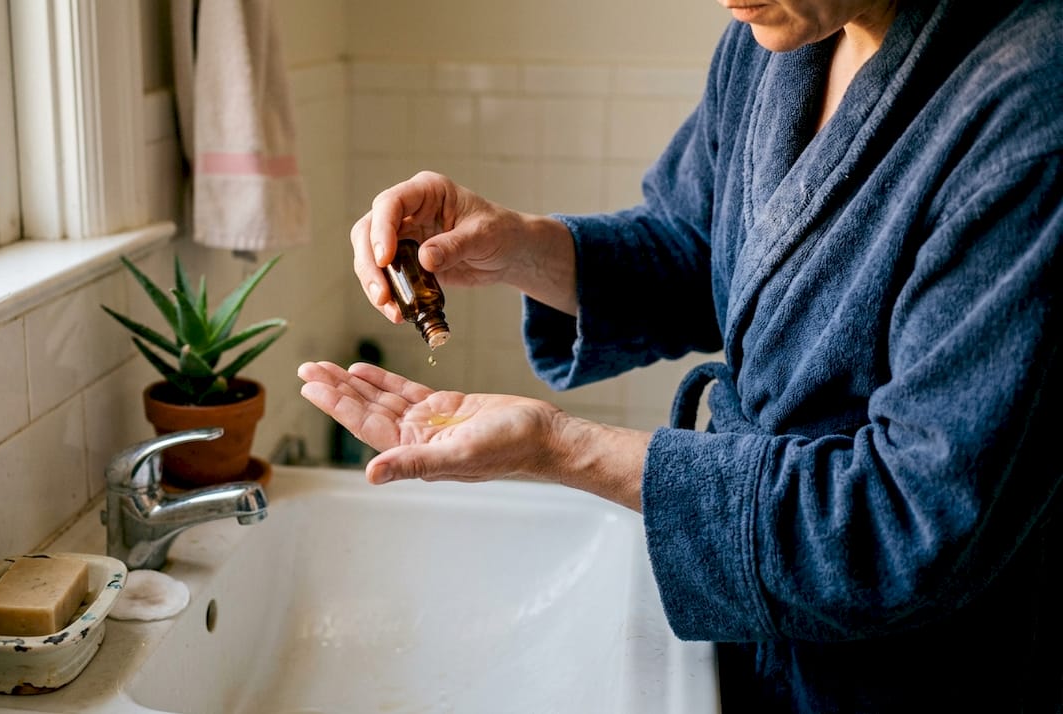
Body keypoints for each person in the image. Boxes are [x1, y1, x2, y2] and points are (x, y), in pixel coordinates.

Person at [298, 0, 1063, 710]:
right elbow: (707, 248)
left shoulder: (1031, 104)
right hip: (759, 625)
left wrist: (560, 448)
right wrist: (519, 250)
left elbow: (909, 520)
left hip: (913, 678)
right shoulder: (777, 37)